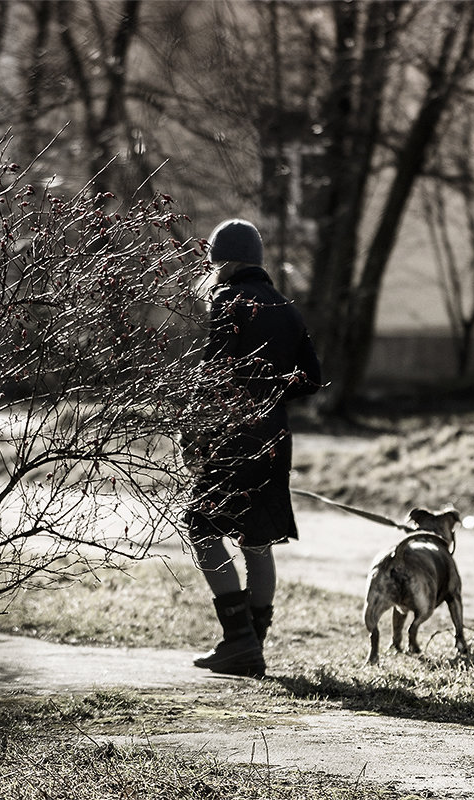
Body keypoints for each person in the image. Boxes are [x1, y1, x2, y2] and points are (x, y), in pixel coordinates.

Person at [184, 218, 322, 677]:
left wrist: (193, 430)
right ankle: (250, 648)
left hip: (235, 435)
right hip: (275, 439)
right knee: (258, 542)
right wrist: (272, 389)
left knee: (201, 527)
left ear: (222, 263)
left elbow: (212, 374)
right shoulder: (287, 306)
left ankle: (240, 641)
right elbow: (312, 379)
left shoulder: (228, 300)